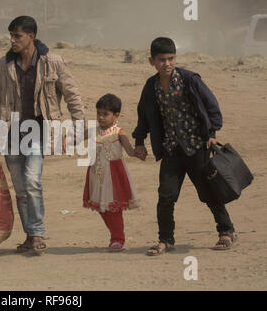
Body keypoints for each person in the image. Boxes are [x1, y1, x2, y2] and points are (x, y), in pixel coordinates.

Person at [132, 37, 236, 256]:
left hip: (196, 147)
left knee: (209, 192)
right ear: (152, 61)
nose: (167, 64)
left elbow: (212, 105)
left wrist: (211, 133)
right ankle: (166, 240)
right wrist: (139, 141)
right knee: (166, 197)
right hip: (171, 150)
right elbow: (144, 115)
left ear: (176, 58)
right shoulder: (151, 87)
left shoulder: (190, 80)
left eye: (170, 59)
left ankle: (226, 231)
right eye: (161, 60)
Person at [0, 16, 85, 254]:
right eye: (11, 35)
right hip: (11, 133)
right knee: (20, 189)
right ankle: (30, 235)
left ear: (31, 36)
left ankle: (38, 232)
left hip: (38, 132)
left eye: (17, 36)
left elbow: (72, 95)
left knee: (32, 181)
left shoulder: (52, 62)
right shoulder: (4, 64)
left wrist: (79, 127)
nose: (12, 40)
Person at [83, 94, 141, 252]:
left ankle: (118, 239)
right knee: (102, 208)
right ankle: (115, 235)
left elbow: (130, 151)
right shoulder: (93, 130)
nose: (100, 117)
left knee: (114, 209)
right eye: (98, 113)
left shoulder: (119, 133)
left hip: (114, 176)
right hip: (97, 174)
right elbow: (75, 138)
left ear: (116, 115)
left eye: (105, 114)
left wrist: (139, 152)